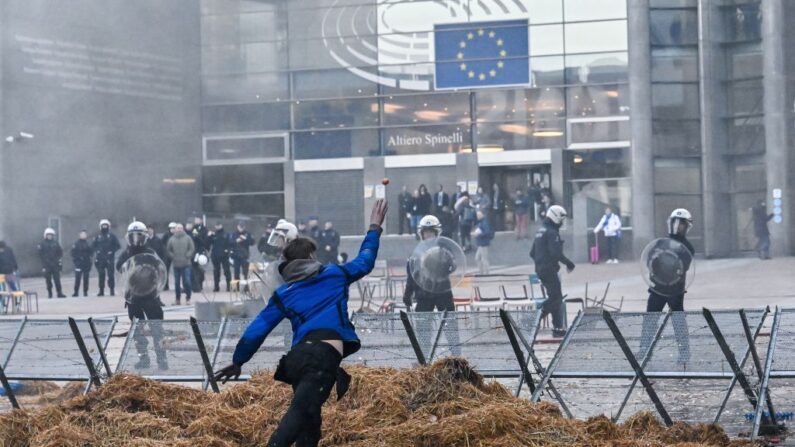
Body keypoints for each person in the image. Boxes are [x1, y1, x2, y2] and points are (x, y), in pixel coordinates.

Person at [214, 199, 389, 447]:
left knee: (310, 425)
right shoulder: (335, 275)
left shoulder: (284, 294)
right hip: (322, 357)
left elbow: (257, 330)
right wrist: (374, 227)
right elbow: (366, 260)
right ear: (310, 256)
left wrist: (238, 360)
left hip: (297, 359)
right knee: (297, 416)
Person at [639, 209, 695, 364]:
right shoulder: (660, 242)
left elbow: (683, 266)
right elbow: (650, 260)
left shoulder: (687, 247)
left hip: (675, 290)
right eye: (675, 222)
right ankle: (644, 350)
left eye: (681, 224)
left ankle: (684, 353)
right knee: (650, 319)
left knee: (678, 322)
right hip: (658, 288)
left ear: (686, 226)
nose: (677, 227)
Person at [402, 215, 461, 356]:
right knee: (423, 330)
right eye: (426, 232)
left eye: (431, 232)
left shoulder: (445, 250)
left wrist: (442, 261)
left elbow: (453, 267)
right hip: (423, 295)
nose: (428, 235)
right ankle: (423, 360)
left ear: (437, 233)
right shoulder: (415, 254)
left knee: (450, 327)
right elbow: (412, 276)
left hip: (443, 293)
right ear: (421, 234)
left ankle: (457, 358)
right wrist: (407, 294)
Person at [116, 221, 168, 370]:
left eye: (139, 236)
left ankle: (162, 359)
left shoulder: (151, 253)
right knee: (137, 331)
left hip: (151, 296)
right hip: (133, 297)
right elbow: (119, 268)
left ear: (145, 237)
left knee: (157, 330)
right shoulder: (126, 253)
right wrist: (129, 257)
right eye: (133, 236)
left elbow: (160, 269)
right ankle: (144, 359)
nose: (136, 240)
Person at [530, 205, 575, 338]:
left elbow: (532, 252)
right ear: (555, 217)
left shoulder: (541, 231)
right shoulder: (551, 232)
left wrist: (540, 263)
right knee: (556, 299)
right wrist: (569, 263)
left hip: (541, 269)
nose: (561, 222)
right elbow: (556, 253)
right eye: (561, 219)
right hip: (548, 269)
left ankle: (558, 328)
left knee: (555, 297)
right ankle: (534, 318)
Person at [166, 223, 195, 305]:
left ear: (183, 229)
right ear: (175, 229)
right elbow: (168, 250)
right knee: (176, 283)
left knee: (187, 282)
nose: (179, 229)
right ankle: (177, 299)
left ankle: (188, 297)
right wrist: (173, 256)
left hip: (186, 264)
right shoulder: (171, 239)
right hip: (176, 264)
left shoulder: (188, 238)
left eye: (181, 228)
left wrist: (188, 255)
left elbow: (192, 248)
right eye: (178, 228)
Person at [93, 219, 121, 296]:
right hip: (100, 259)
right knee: (101, 275)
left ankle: (112, 289)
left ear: (109, 226)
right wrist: (97, 251)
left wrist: (112, 251)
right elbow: (93, 246)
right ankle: (101, 290)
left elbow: (118, 246)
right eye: (103, 226)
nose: (104, 227)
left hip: (109, 258)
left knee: (111, 275)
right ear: (100, 227)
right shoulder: (98, 237)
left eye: (106, 225)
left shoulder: (112, 236)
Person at [38, 228, 66, 298]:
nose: (50, 236)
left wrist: (58, 262)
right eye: (48, 235)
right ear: (45, 235)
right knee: (48, 280)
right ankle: (50, 293)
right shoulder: (42, 244)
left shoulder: (56, 243)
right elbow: (40, 255)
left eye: (51, 235)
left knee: (57, 280)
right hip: (47, 265)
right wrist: (44, 265)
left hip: (55, 265)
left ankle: (59, 292)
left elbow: (60, 253)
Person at [210, 223, 232, 292]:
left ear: (221, 225)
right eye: (216, 225)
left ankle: (229, 286)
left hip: (224, 256)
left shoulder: (226, 234)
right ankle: (216, 286)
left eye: (219, 225)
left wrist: (227, 251)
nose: (217, 226)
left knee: (227, 271)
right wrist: (209, 237)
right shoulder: (213, 235)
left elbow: (230, 244)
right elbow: (208, 243)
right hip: (215, 255)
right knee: (216, 272)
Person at [70, 230, 93, 297]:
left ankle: (85, 292)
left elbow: (91, 253)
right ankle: (76, 292)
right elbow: (73, 253)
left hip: (86, 264)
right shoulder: (76, 244)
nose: (83, 236)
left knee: (86, 278)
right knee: (78, 279)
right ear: (79, 235)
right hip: (79, 264)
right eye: (82, 234)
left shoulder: (88, 244)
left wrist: (90, 261)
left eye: (84, 234)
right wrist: (76, 261)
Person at [473, 210, 494, 275]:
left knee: (484, 258)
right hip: (481, 243)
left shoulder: (484, 222)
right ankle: (481, 272)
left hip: (483, 243)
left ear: (483, 214)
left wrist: (478, 234)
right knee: (478, 258)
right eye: (477, 215)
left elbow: (487, 232)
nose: (478, 216)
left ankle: (486, 272)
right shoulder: (481, 222)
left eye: (479, 214)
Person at [161, 222, 177, 291]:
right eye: (171, 228)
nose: (173, 230)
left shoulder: (177, 235)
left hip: (176, 255)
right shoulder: (166, 235)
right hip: (167, 256)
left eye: (174, 228)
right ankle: (165, 285)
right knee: (165, 270)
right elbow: (162, 244)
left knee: (177, 270)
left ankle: (178, 285)